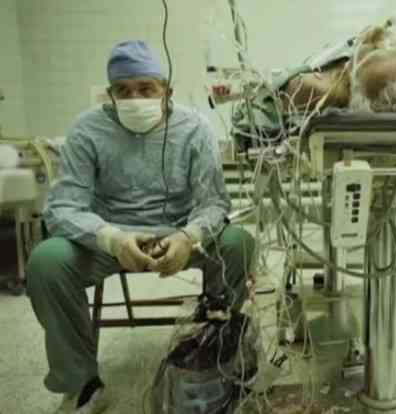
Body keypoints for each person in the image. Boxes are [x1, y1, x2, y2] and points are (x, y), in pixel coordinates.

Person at [26, 40, 255, 413]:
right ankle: (82, 381)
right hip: (107, 236)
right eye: (123, 91)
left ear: (168, 92)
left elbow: (214, 202)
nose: (135, 98)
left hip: (179, 233)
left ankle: (214, 342)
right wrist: (112, 239)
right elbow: (64, 206)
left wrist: (188, 236)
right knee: (47, 261)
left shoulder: (194, 128)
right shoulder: (87, 131)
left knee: (238, 242)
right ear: (110, 94)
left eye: (146, 89)